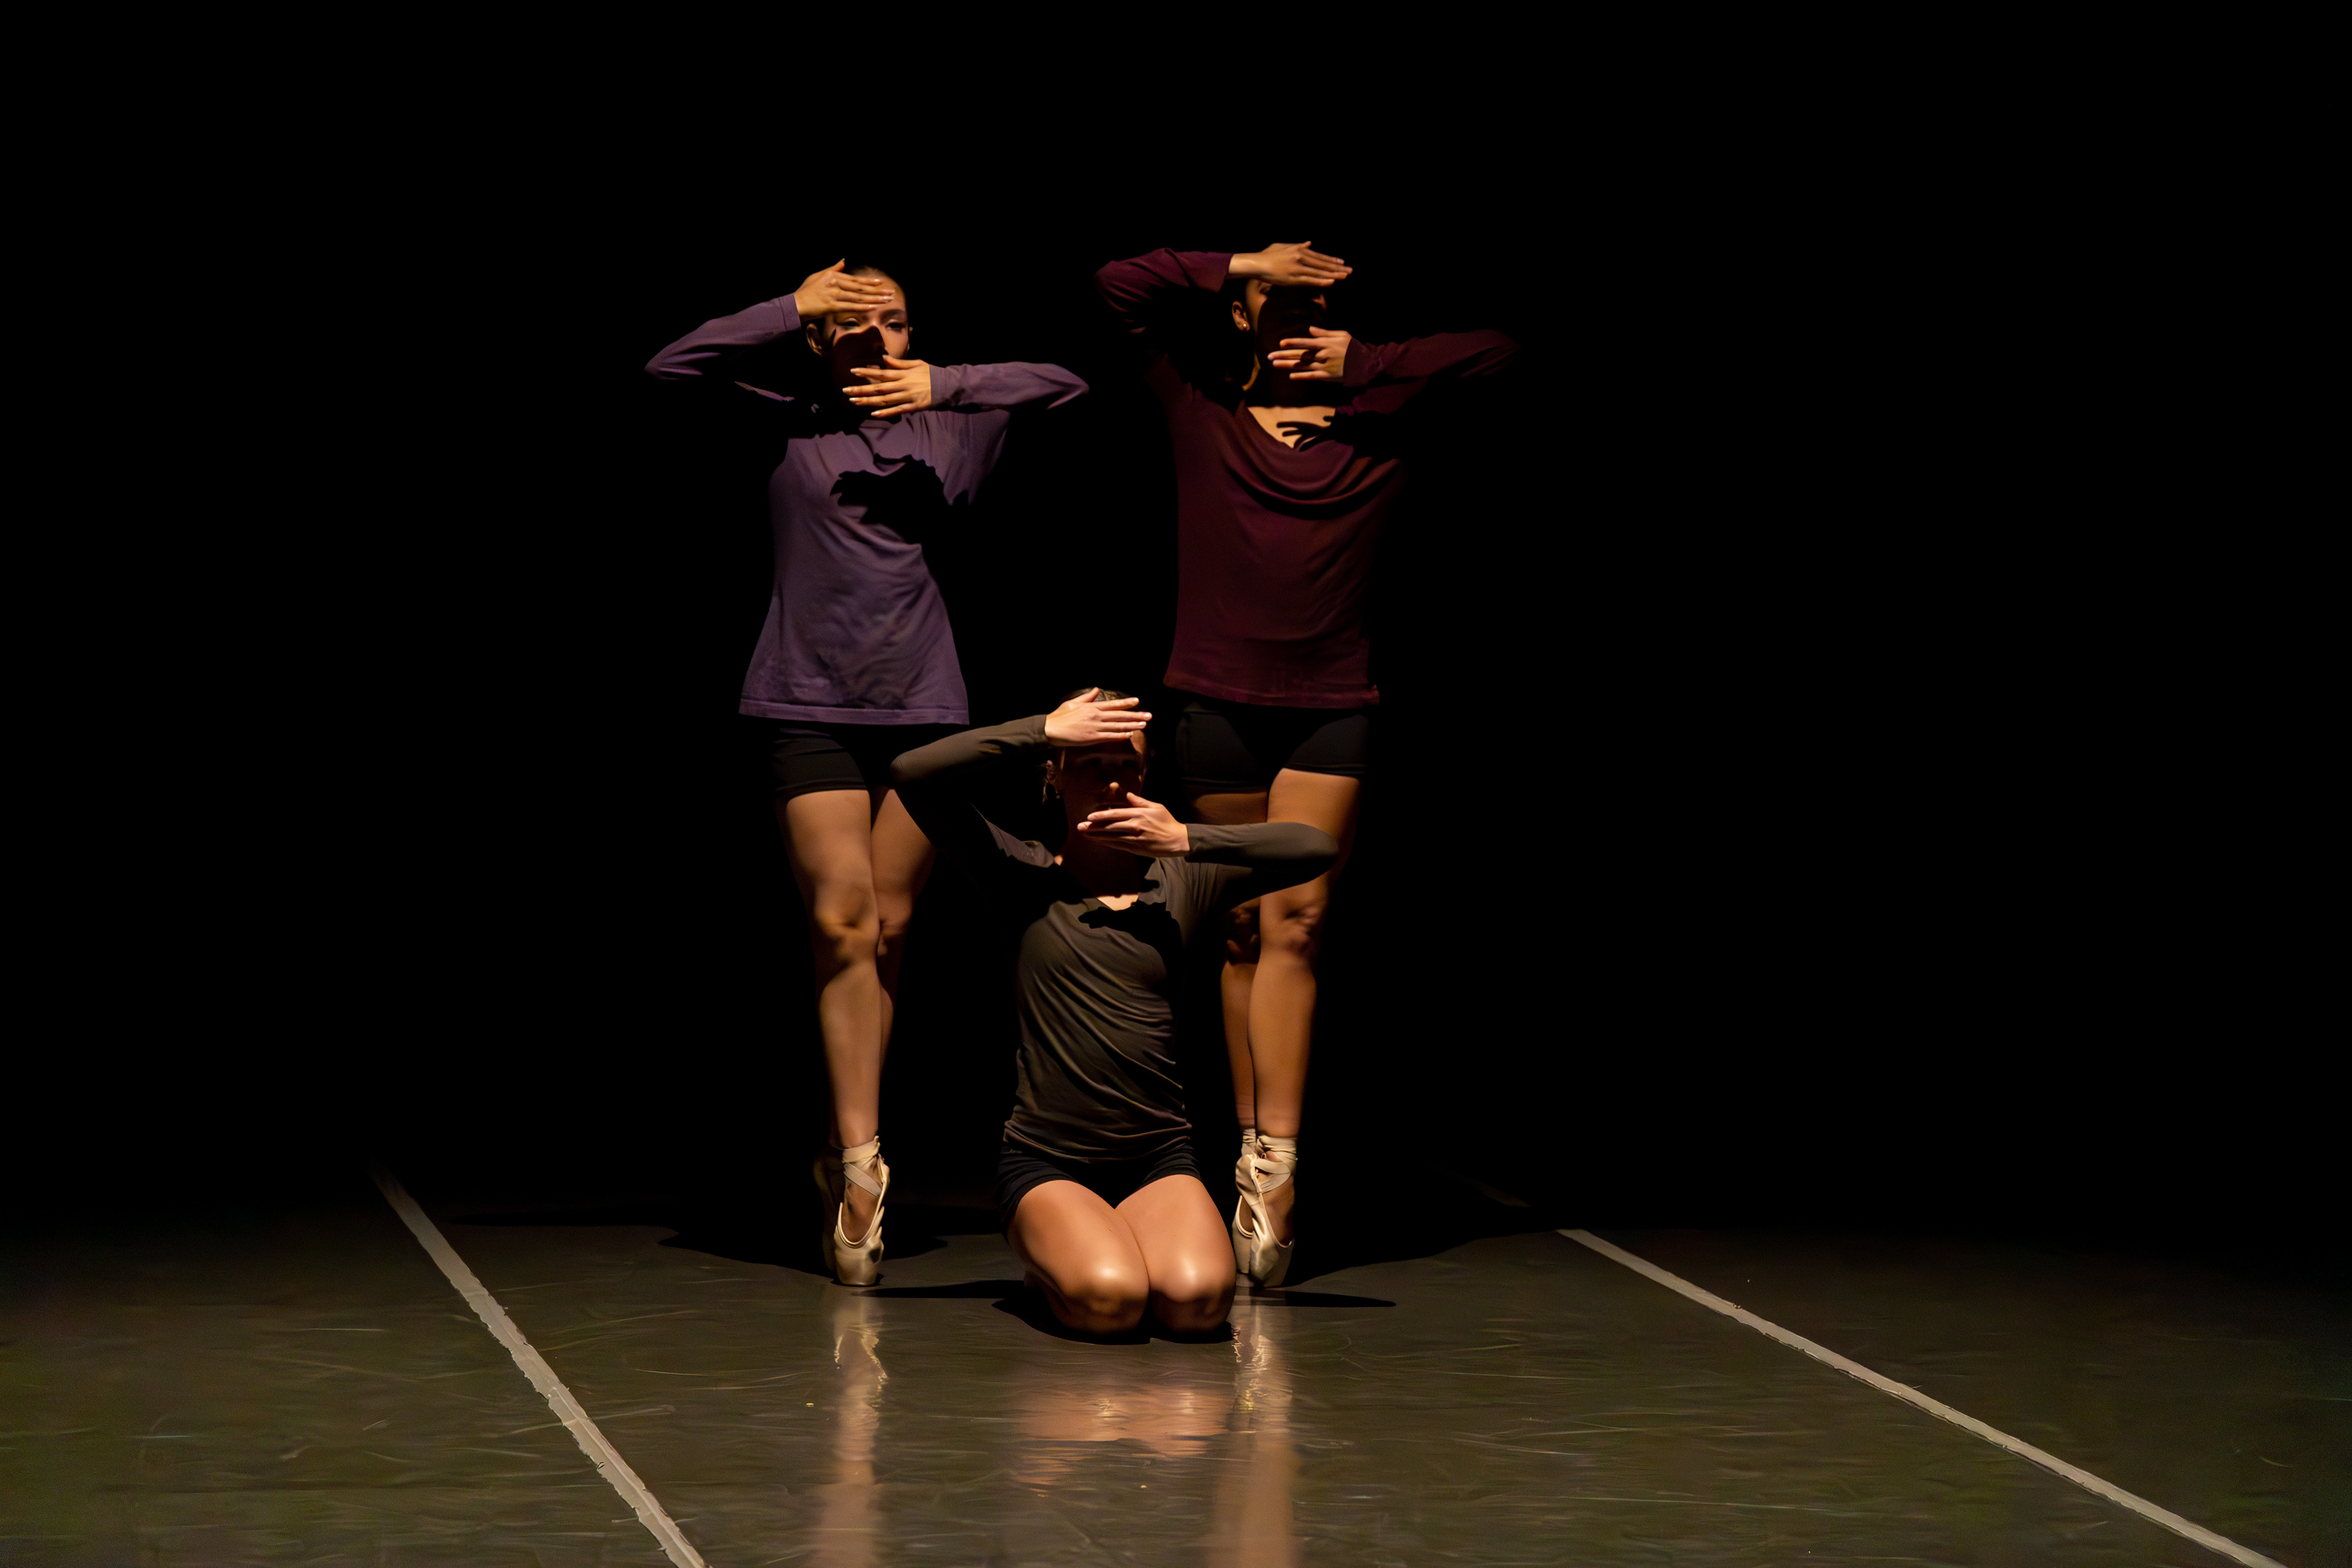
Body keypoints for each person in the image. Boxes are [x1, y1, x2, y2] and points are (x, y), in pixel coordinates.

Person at [647, 260, 1086, 1284]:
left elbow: (1067, 387)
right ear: (816, 338)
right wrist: (790, 304)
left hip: (924, 707)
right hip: (805, 701)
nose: (874, 336)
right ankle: (860, 1166)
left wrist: (947, 383)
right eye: (849, 321)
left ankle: (848, 1136)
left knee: (889, 930)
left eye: (892, 320)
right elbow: (669, 369)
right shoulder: (786, 419)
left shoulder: (958, 421)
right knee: (843, 921)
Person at [1093, 241, 1517, 1280]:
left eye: (1320, 303)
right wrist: (1242, 259)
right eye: (1280, 301)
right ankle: (1246, 1150)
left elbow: (1501, 351)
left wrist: (1364, 362)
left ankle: (1277, 1166)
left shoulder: (1381, 415)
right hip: (1217, 705)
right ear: (1242, 315)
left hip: (1331, 708)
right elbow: (1119, 286)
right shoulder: (1200, 405)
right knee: (1242, 930)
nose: (1304, 319)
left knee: (1301, 924)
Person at [890, 690, 1338, 1331]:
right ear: (1055, 775)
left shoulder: (1182, 880)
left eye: (1125, 763)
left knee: (1198, 1304)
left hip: (1157, 1158)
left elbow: (1315, 847)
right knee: (1112, 1302)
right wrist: (1043, 728)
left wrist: (1186, 838)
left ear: (1145, 775)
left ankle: (1107, 1245)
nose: (1111, 778)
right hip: (1047, 1161)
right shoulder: (1021, 875)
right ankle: (1055, 1264)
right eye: (1089, 761)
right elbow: (912, 773)